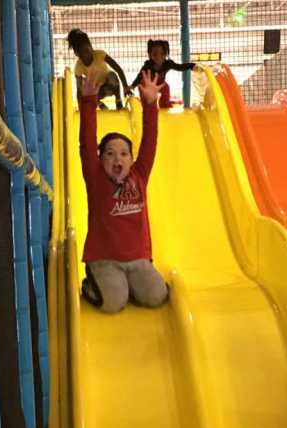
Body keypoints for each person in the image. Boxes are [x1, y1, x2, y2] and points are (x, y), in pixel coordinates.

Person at [79, 69, 168, 313]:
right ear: (100, 159)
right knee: (113, 303)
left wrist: (150, 105)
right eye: (109, 153)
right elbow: (86, 143)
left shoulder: (139, 175)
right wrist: (88, 100)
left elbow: (150, 141)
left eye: (123, 154)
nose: (117, 159)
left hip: (137, 259)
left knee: (156, 296)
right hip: (105, 259)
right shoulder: (96, 178)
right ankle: (92, 282)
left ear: (131, 159)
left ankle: (131, 284)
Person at [67, 28, 132, 109]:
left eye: (89, 49)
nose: (89, 53)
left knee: (112, 75)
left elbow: (117, 68)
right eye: (85, 52)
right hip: (96, 91)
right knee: (85, 90)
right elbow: (79, 90)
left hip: (110, 85)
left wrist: (125, 87)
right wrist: (81, 108)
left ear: (91, 46)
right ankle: (100, 105)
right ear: (78, 54)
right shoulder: (79, 66)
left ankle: (118, 101)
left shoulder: (100, 54)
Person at [130, 39, 195, 108]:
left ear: (166, 54)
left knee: (166, 87)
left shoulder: (168, 64)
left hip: (160, 83)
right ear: (150, 55)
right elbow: (140, 76)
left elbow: (180, 67)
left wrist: (192, 65)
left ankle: (164, 106)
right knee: (148, 95)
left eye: (162, 54)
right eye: (155, 54)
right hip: (147, 85)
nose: (158, 57)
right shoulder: (148, 66)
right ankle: (149, 106)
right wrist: (132, 86)